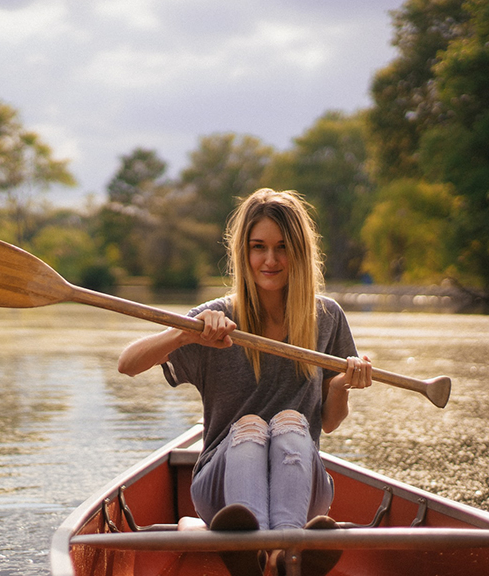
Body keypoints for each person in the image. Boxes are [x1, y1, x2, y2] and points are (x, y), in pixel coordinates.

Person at [118, 188, 372, 576]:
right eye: (258, 247)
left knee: (290, 421)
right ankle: (283, 549)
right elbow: (127, 364)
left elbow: (331, 421)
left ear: (300, 252)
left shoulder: (327, 317)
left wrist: (340, 386)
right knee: (251, 426)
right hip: (223, 494)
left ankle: (268, 553)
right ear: (244, 251)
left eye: (282, 247)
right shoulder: (213, 317)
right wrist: (185, 334)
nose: (270, 260)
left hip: (302, 486)